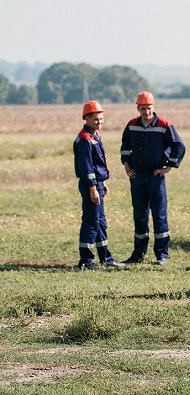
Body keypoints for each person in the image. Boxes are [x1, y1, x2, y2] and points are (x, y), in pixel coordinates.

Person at [120, 91, 186, 265]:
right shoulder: (132, 125)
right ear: (138, 108)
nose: (146, 112)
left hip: (155, 178)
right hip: (137, 178)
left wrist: (169, 167)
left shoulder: (164, 125)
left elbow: (179, 146)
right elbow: (125, 146)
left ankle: (161, 255)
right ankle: (138, 254)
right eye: (142, 108)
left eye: (148, 108)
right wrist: (126, 164)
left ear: (153, 107)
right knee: (139, 216)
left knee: (159, 216)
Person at [73, 101, 124, 270]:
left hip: (98, 184)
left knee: (100, 222)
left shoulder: (94, 136)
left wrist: (102, 183)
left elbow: (97, 165)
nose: (99, 122)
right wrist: (93, 187)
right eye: (95, 119)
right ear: (86, 118)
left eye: (101, 119)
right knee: (91, 222)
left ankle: (106, 258)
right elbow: (87, 165)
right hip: (91, 186)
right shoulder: (85, 139)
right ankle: (86, 261)